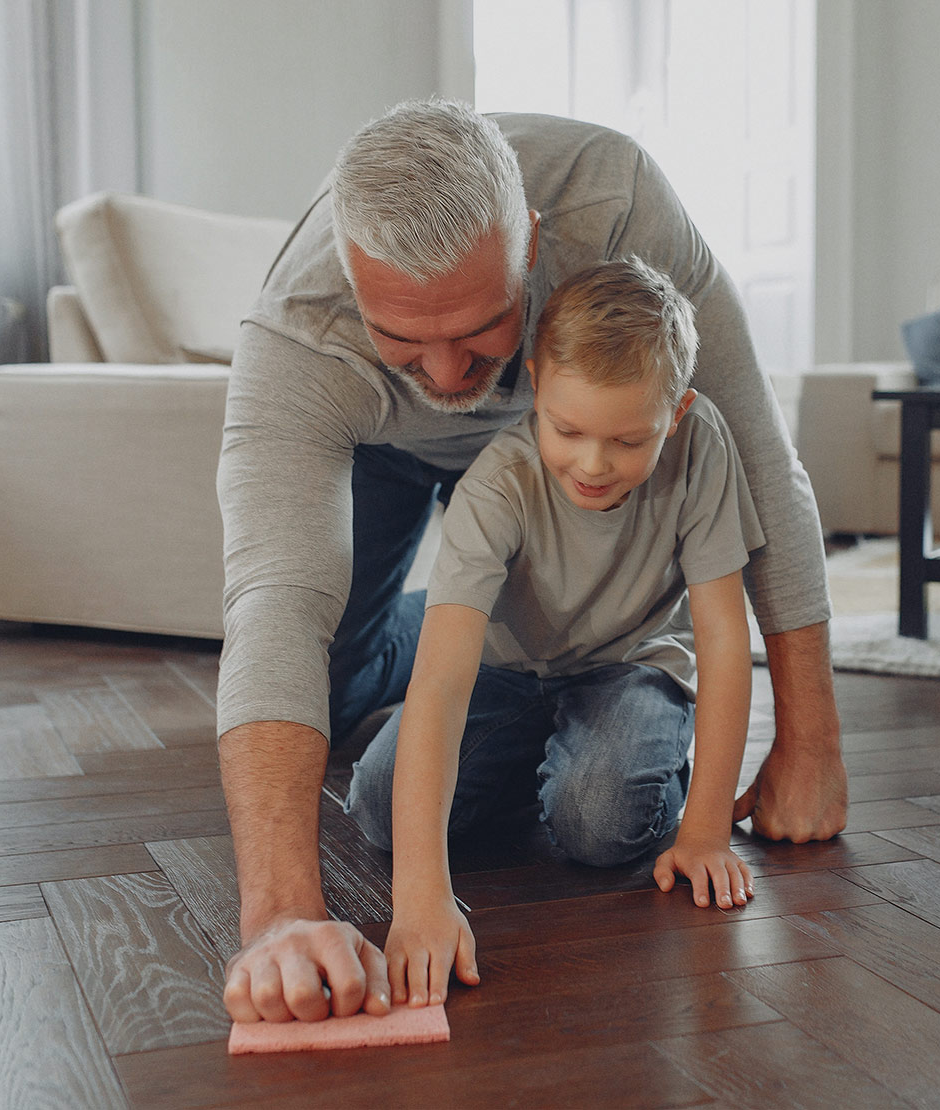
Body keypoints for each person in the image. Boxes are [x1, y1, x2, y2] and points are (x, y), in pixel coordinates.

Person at [217, 97, 846, 1027]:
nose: (442, 373)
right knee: (330, 677)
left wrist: (812, 743)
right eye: (402, 336)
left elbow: (759, 460)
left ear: (536, 248)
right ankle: (424, 623)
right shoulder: (296, 337)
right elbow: (273, 598)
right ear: (353, 288)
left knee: (594, 797)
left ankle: (502, 633)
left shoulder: (617, 205)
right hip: (384, 448)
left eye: (477, 327)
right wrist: (280, 918)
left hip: (556, 434)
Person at [344, 258, 759, 1007]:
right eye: (567, 430)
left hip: (630, 667)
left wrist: (704, 831)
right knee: (377, 805)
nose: (594, 464)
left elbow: (726, 640)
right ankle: (538, 760)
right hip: (506, 673)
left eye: (630, 442)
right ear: (536, 384)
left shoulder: (703, 448)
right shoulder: (498, 485)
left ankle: (633, 765)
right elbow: (439, 683)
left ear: (678, 412)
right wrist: (421, 898)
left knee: (598, 824)